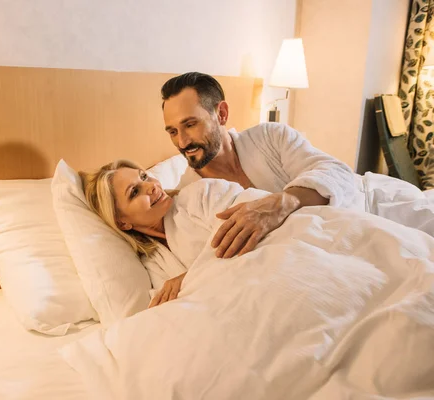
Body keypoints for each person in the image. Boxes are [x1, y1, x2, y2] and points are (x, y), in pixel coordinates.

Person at [160, 72, 434, 257]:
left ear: (221, 113)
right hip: (332, 251)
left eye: (190, 124)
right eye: (172, 131)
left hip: (374, 203)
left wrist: (282, 202)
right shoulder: (192, 195)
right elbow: (210, 256)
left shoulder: (270, 136)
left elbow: (338, 172)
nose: (182, 142)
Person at [80, 159, 268, 308]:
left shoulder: (201, 194)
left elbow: (247, 235)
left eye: (144, 177)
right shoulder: (151, 262)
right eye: (135, 191)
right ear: (122, 222)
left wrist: (185, 280)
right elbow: (169, 308)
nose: (151, 186)